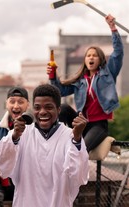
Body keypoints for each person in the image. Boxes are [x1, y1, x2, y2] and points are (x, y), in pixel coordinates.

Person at [0, 84, 89, 207]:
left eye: (49, 107)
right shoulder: (22, 133)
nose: (42, 112)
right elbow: (3, 165)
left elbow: (78, 175)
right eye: (37, 107)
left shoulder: (70, 137)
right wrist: (15, 137)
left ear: (58, 110)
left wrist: (77, 139)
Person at [47, 14, 123, 152]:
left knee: (80, 151)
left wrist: (113, 28)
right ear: (85, 60)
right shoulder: (80, 82)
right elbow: (58, 91)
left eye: (94, 55)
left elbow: (118, 53)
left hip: (98, 125)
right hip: (80, 121)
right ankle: (52, 136)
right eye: (88, 55)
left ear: (100, 59)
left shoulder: (108, 74)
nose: (91, 57)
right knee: (63, 107)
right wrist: (53, 75)